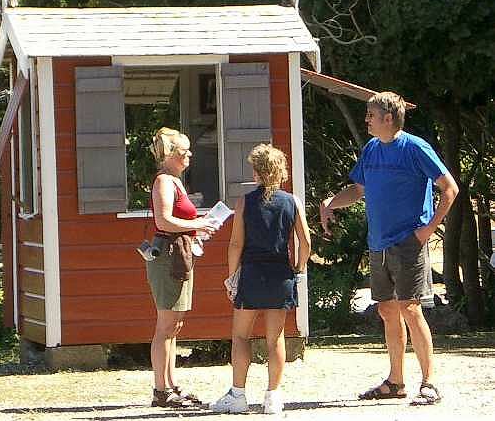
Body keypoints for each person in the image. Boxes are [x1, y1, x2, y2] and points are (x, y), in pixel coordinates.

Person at [320, 92, 459, 405]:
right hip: (378, 243)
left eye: (371, 114)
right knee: (386, 309)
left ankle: (430, 382)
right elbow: (358, 189)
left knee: (411, 308)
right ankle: (396, 381)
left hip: (408, 243)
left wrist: (427, 231)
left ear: (388, 118)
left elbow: (450, 188)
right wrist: (330, 202)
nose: (366, 119)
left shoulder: (415, 147)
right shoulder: (371, 149)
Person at [211, 144, 311, 414]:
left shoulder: (245, 202)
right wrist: (298, 269)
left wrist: (233, 277)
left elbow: (235, 245)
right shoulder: (292, 201)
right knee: (275, 337)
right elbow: (306, 241)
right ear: (281, 172)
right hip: (281, 274)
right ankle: (273, 396)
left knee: (241, 336)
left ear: (256, 172)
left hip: (252, 274)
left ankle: (238, 394)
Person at [146, 127, 218, 407]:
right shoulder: (164, 181)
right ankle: (160, 391)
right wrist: (198, 224)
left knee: (174, 325)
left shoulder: (174, 181)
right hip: (168, 256)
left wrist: (194, 231)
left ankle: (172, 385)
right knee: (165, 325)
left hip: (179, 253)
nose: (189, 154)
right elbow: (163, 222)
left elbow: (176, 221)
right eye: (183, 150)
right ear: (171, 155)